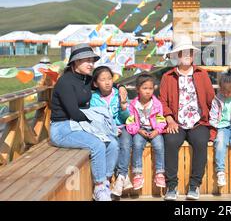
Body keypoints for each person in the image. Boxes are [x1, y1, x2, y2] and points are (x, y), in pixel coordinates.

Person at [49, 43, 127, 201]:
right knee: (97, 144)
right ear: (75, 62)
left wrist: (121, 86)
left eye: (92, 60)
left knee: (112, 142)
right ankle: (99, 187)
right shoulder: (65, 82)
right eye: (86, 60)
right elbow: (74, 113)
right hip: (62, 128)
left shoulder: (86, 79)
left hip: (79, 125)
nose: (91, 64)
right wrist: (100, 123)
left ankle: (104, 181)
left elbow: (105, 82)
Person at [160, 35, 215, 201]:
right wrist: (169, 118)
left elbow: (211, 98)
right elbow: (162, 100)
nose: (187, 56)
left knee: (200, 142)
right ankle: (171, 186)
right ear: (177, 55)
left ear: (193, 55)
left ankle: (194, 185)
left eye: (190, 53)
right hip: (176, 122)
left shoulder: (202, 74)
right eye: (183, 52)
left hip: (198, 121)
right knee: (170, 141)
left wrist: (215, 121)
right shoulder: (167, 76)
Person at [112, 73, 167, 196]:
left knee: (159, 144)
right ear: (137, 89)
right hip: (139, 130)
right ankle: (137, 174)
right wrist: (138, 130)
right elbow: (130, 121)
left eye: (150, 88)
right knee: (137, 144)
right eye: (144, 88)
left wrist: (157, 130)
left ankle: (160, 173)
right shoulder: (133, 105)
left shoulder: (157, 104)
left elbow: (161, 120)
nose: (148, 91)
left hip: (154, 129)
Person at [90, 66, 133, 194]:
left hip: (121, 127)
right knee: (112, 144)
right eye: (103, 79)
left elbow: (126, 118)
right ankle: (111, 179)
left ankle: (121, 176)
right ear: (95, 83)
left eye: (109, 78)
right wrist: (111, 130)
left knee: (125, 142)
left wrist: (124, 107)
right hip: (105, 130)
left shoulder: (119, 94)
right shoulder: (93, 99)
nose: (108, 82)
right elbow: (96, 120)